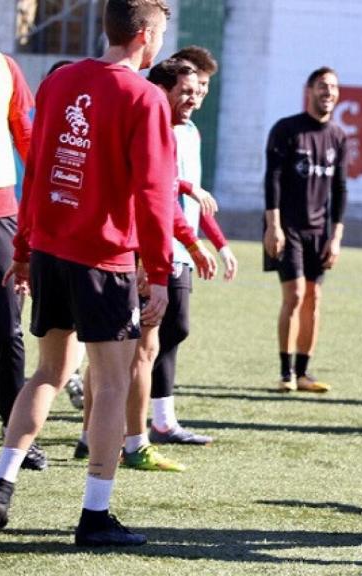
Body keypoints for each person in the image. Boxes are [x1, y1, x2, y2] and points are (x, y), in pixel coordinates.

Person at [0, 0, 176, 546]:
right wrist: (161, 273)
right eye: (161, 35)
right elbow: (153, 194)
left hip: (50, 251)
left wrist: (26, 247)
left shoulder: (59, 82)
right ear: (146, 37)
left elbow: (41, 164)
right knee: (112, 382)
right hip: (103, 261)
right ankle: (94, 516)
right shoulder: (144, 96)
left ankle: (0, 487)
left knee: (47, 373)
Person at [147, 46, 236, 445]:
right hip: (158, 244)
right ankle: (142, 426)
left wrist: (217, 243)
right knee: (147, 337)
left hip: (183, 244)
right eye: (194, 86)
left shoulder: (192, 132)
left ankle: (152, 422)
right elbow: (164, 189)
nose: (199, 95)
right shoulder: (157, 127)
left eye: (203, 88)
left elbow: (195, 201)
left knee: (169, 331)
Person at [263, 67, 347, 393]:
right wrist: (273, 226)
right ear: (309, 90)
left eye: (334, 87)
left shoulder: (338, 136)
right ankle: (285, 373)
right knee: (295, 295)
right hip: (288, 227)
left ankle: (303, 373)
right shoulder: (286, 130)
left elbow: (340, 189)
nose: (329, 92)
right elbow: (271, 180)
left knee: (314, 298)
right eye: (323, 86)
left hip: (320, 232)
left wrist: (336, 237)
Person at [0, 50, 47, 470]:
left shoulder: (5, 66)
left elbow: (27, 137)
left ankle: (16, 437)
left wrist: (49, 190)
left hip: (1, 213)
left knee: (8, 328)